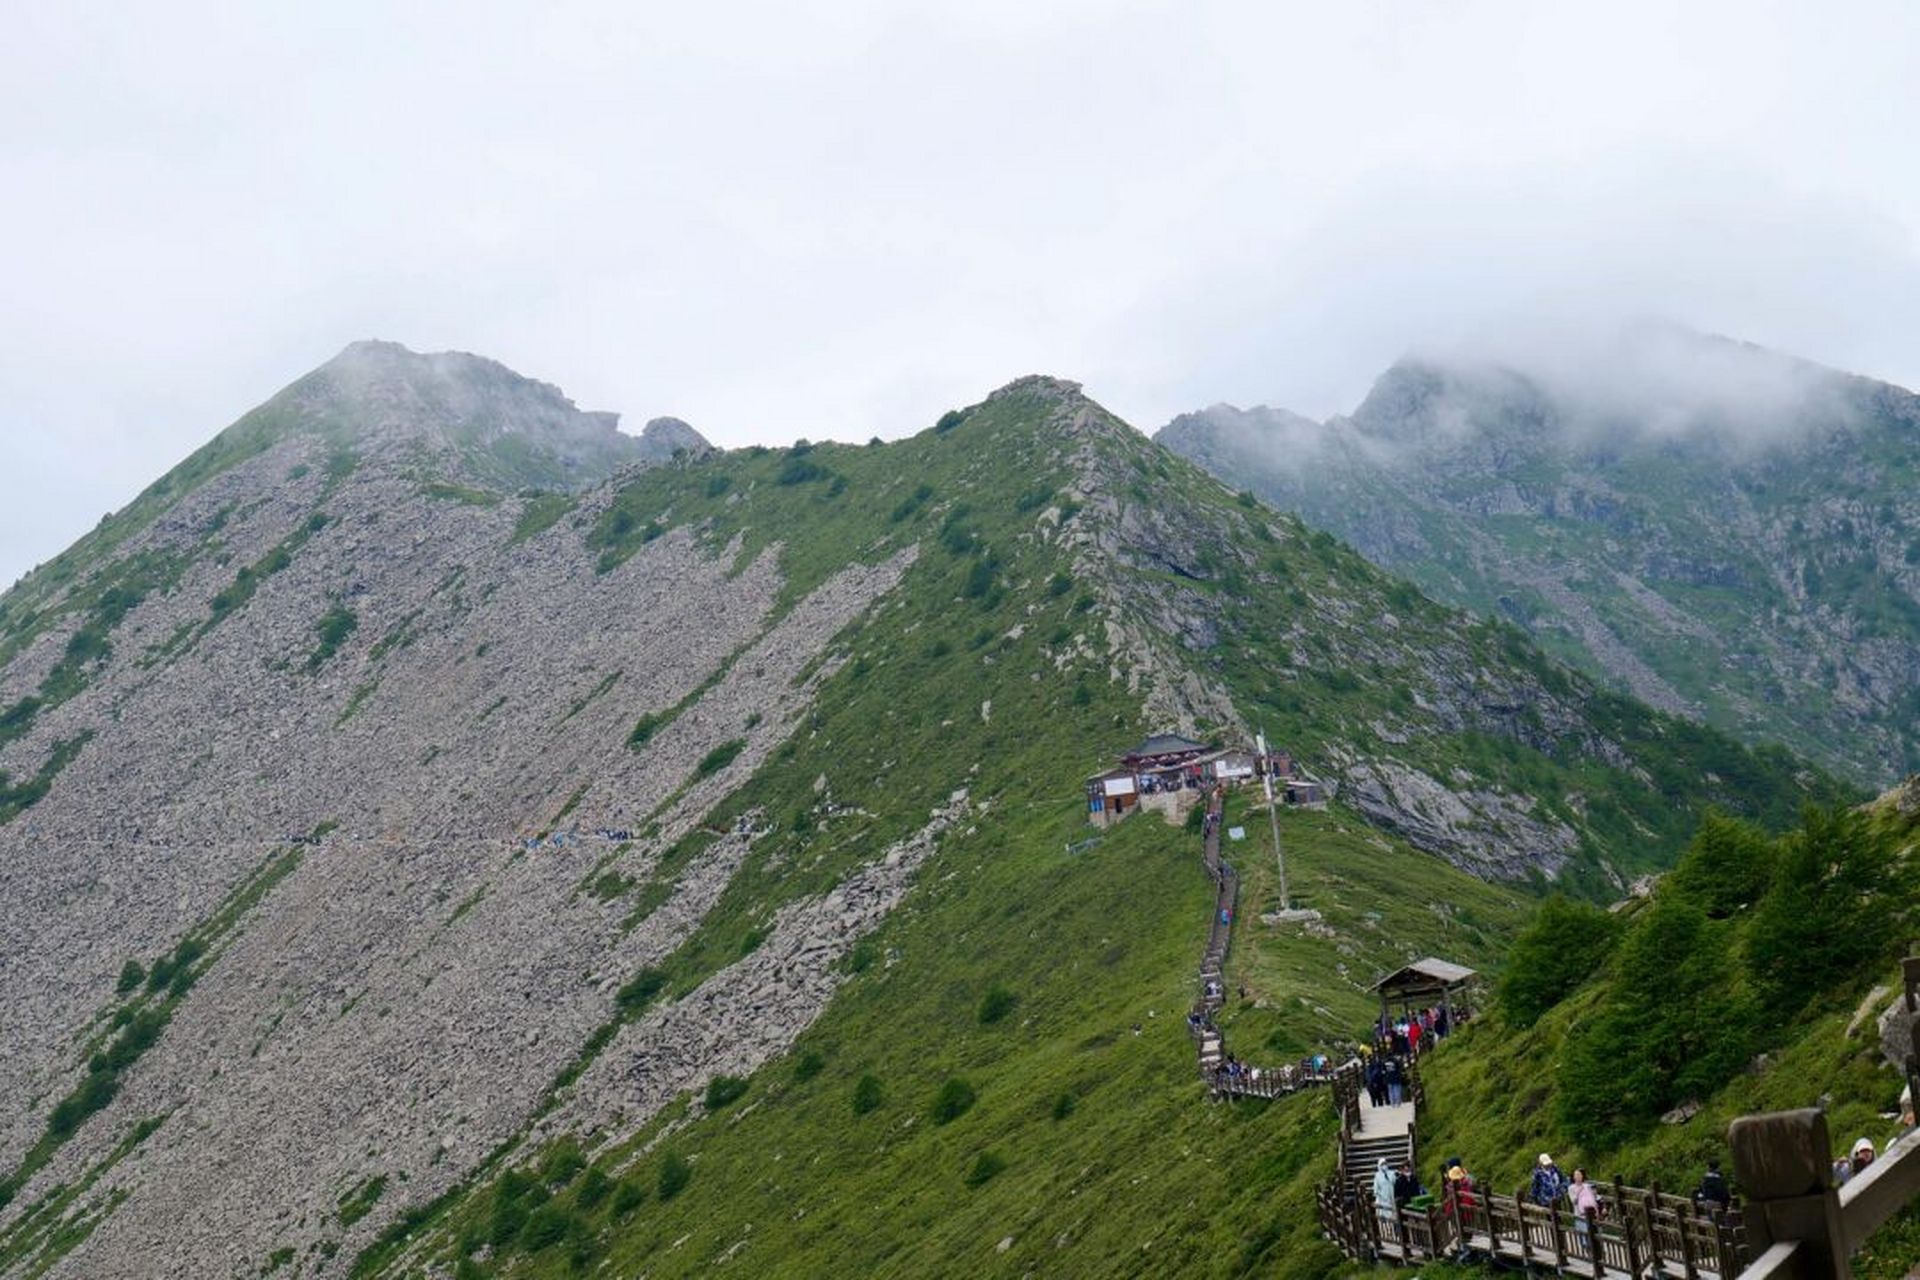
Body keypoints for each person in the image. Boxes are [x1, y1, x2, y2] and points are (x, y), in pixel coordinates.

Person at [1570, 1168, 1600, 1253]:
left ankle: (1594, 1249)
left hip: (1590, 1211)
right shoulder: (1571, 1188)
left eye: (1579, 1175)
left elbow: (1594, 1197)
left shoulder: (1587, 1186)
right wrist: (1579, 1191)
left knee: (1591, 1230)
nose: (1578, 1177)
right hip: (1579, 1212)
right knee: (1582, 1231)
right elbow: (1573, 1201)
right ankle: (1586, 1247)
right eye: (1576, 1175)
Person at [1374, 1159, 1398, 1233]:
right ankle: (1387, 1230)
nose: (1384, 1165)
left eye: (1385, 1163)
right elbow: (1376, 1189)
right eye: (1382, 1164)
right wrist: (1380, 1197)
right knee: (1385, 1215)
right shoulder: (1377, 1176)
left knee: (1393, 1214)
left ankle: (1394, 1230)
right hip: (1383, 1199)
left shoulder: (1391, 1173)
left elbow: (1395, 1183)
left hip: (1391, 1197)